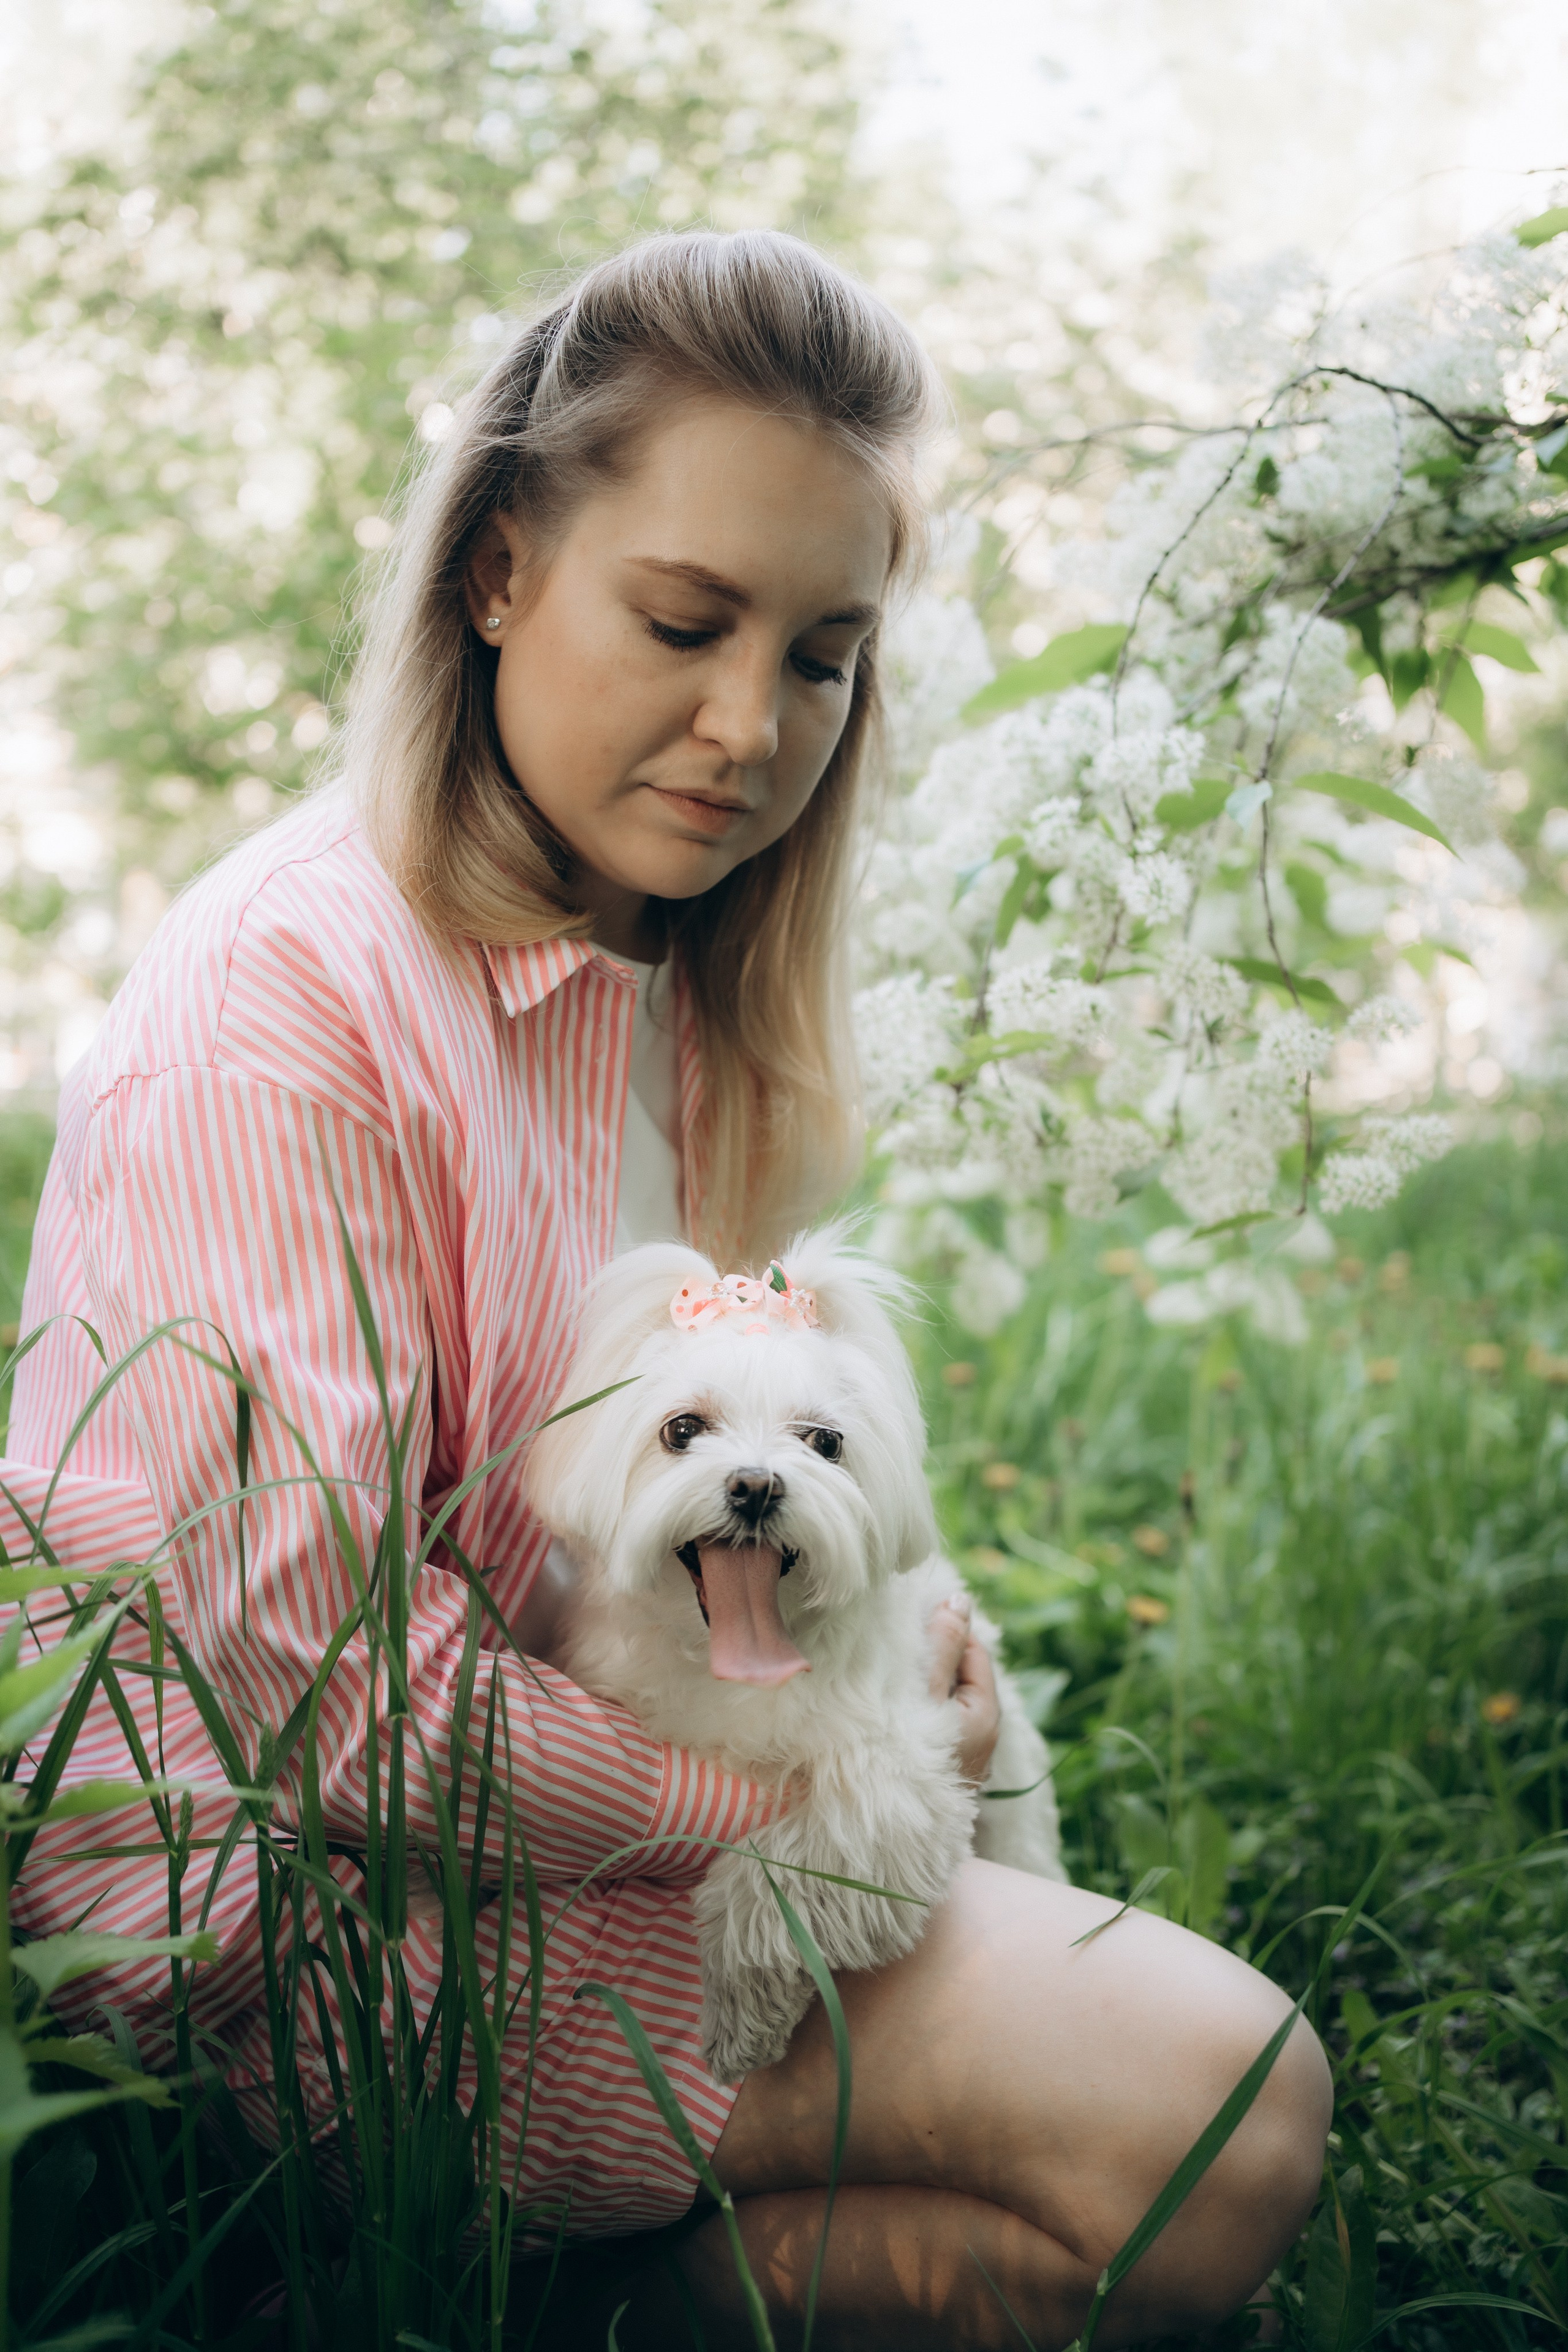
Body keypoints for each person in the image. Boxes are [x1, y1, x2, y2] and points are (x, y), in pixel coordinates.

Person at [6, 230, 1329, 2348]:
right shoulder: (281, 1003)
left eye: (822, 656)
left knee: (1150, 2176)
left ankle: (560, 2293)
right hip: (307, 1917)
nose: (749, 725)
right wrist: (785, 1789)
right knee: (1223, 2122)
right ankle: (414, 2275)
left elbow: (741, 1453)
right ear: (501, 567)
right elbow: (316, 1694)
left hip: (576, 1802)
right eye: (686, 619)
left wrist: (898, 1659)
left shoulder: (674, 981)